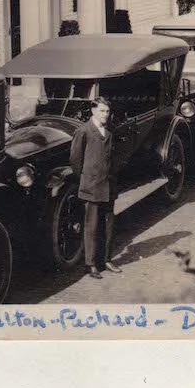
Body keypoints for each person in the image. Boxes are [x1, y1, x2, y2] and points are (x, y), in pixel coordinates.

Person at [69, 97, 116, 278]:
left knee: (108, 225)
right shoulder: (84, 131)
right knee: (92, 226)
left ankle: (106, 260)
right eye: (102, 111)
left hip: (108, 185)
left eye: (107, 111)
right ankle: (90, 264)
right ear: (93, 111)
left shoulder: (109, 130)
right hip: (92, 186)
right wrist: (86, 180)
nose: (105, 115)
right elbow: (75, 160)